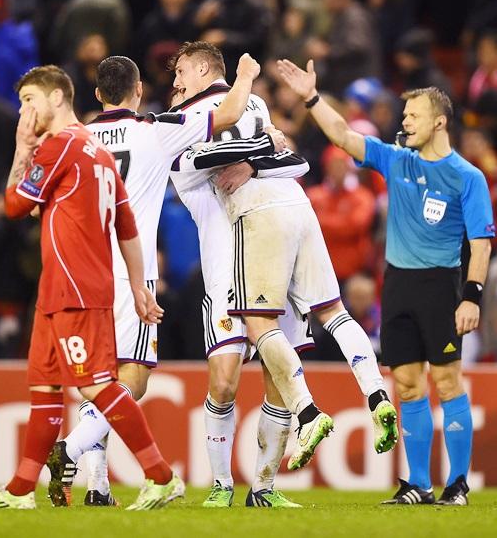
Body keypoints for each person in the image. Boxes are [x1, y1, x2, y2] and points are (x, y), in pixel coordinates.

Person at [170, 41, 398, 507]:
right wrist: (263, 144)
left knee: (277, 373)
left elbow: (292, 159)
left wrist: (255, 157)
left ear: (200, 69)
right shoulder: (182, 124)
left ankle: (265, 486)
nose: (174, 83)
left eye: (179, 72)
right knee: (226, 380)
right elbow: (202, 162)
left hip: (265, 236)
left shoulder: (247, 104)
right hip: (224, 268)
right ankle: (220, 484)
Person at [44, 53, 268, 507]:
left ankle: (97, 486)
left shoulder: (75, 139)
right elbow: (226, 113)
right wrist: (244, 76)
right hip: (131, 273)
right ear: (139, 90)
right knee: (134, 378)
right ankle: (72, 445)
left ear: (97, 95)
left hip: (79, 269)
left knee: (99, 378)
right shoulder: (156, 130)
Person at [277, 58, 494, 505]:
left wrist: (471, 296)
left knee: (449, 383)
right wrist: (313, 98)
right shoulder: (396, 160)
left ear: (439, 121)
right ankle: (417, 483)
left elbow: (481, 243)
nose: (405, 123)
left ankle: (457, 484)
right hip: (396, 287)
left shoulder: (466, 177)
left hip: (442, 287)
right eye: (403, 116)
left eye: (412, 116)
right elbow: (342, 135)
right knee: (409, 385)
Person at [0, 65, 182, 511]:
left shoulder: (61, 145)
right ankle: (20, 491)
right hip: (60, 288)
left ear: (58, 97)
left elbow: (13, 206)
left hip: (76, 288)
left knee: (98, 387)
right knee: (46, 392)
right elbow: (126, 226)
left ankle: (161, 476)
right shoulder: (96, 152)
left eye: (31, 99)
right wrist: (142, 288)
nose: (25, 110)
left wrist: (21, 149)